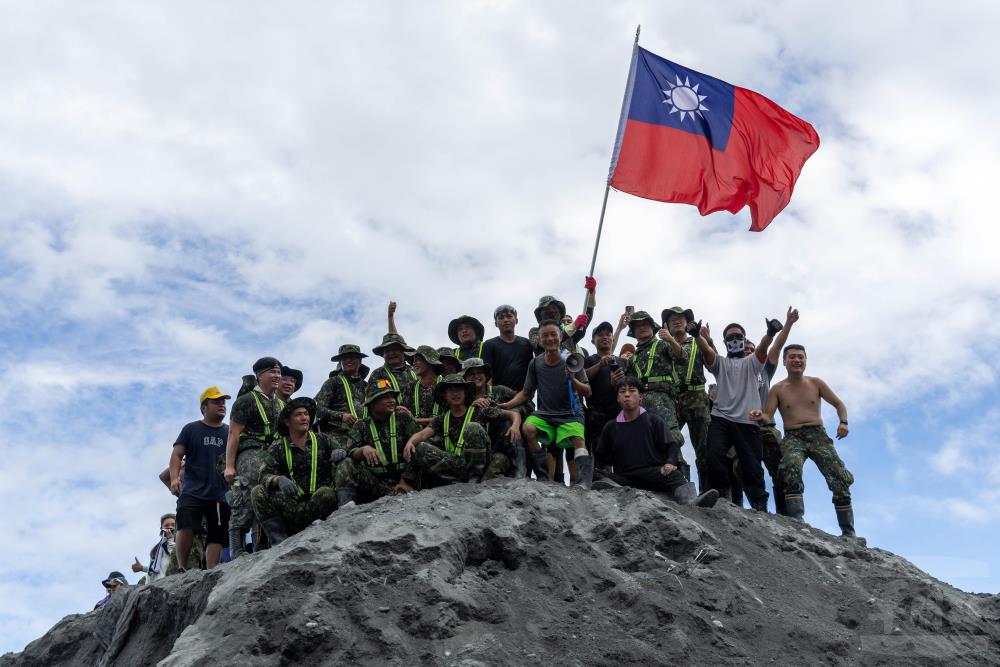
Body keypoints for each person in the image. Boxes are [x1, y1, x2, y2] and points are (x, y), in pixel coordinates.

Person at [751, 344, 859, 540]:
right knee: (790, 468)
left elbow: (839, 404)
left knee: (838, 476)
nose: (796, 360)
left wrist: (843, 422)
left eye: (800, 357)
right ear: (784, 362)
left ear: (805, 361)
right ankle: (797, 522)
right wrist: (760, 415)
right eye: (792, 357)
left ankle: (849, 532)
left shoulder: (815, 383)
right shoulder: (778, 389)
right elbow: (769, 415)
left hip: (818, 436)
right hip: (793, 437)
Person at [695, 313, 788, 511]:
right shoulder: (720, 363)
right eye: (730, 338)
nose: (734, 340)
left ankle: (759, 503)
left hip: (748, 420)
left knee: (752, 465)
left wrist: (770, 333)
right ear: (724, 342)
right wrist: (696, 335)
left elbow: (764, 349)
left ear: (744, 340)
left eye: (738, 337)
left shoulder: (753, 363)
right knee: (713, 455)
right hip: (721, 418)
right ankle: (722, 496)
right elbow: (708, 352)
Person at [594, 378, 718, 507]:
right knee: (597, 474)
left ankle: (691, 502)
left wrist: (670, 463)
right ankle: (615, 490)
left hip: (653, 474)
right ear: (618, 398)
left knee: (675, 475)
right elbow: (601, 457)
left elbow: (672, 446)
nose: (627, 394)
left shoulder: (653, 421)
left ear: (641, 397)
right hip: (624, 478)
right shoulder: (610, 427)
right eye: (622, 391)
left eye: (632, 391)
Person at [500, 320, 593, 487]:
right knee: (528, 429)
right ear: (540, 340)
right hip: (546, 413)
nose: (550, 339)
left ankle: (584, 481)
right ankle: (543, 476)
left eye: (553, 335)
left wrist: (574, 381)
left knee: (578, 439)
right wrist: (508, 405)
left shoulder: (572, 360)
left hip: (570, 414)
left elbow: (588, 391)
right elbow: (526, 393)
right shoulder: (535, 363)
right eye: (545, 336)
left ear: (561, 337)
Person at [251, 397, 339, 545]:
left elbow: (345, 451)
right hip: (293, 507)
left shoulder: (323, 439)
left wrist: (341, 451)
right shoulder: (278, 446)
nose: (304, 418)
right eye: (298, 415)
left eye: (306, 414)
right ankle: (279, 544)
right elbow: (263, 476)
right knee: (258, 492)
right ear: (287, 422)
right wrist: (277, 480)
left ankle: (328, 535)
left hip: (320, 504)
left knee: (326, 493)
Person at [403, 374, 517, 485]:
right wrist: (410, 442)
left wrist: (515, 426)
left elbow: (513, 414)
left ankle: (475, 477)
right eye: (451, 391)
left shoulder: (479, 411)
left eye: (459, 389)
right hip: (457, 465)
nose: (455, 394)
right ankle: (455, 481)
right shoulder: (442, 419)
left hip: (482, 463)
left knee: (473, 427)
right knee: (420, 447)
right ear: (444, 395)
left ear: (465, 393)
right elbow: (423, 434)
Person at [223, 358, 285, 557]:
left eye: (279, 373)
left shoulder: (280, 403)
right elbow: (233, 434)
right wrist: (230, 466)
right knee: (247, 492)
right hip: (250, 451)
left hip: (272, 452)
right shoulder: (246, 401)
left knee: (271, 493)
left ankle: (262, 545)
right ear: (259, 376)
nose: (277, 376)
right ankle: (237, 548)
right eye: (271, 372)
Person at [170, 386, 231, 569]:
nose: (222, 405)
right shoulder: (191, 429)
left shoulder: (230, 432)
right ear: (204, 407)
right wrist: (174, 479)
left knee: (217, 533)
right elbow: (176, 455)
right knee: (185, 524)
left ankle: (211, 570)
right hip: (193, 489)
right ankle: (182, 568)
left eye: (223, 402)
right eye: (216, 402)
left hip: (220, 492)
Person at [624, 310, 689, 474]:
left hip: (663, 398)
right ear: (633, 331)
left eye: (645, 324)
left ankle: (680, 477)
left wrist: (670, 339)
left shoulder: (663, 344)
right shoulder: (633, 357)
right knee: (646, 439)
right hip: (641, 401)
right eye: (637, 325)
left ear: (653, 327)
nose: (642, 327)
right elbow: (629, 382)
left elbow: (683, 358)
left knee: (670, 435)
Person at [335, 380, 421, 505]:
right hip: (379, 485)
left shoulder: (403, 418)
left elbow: (418, 446)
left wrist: (404, 481)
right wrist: (363, 449)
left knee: (419, 447)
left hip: (407, 483)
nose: (392, 400)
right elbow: (350, 451)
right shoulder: (361, 425)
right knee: (345, 463)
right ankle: (345, 509)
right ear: (372, 403)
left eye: (392, 396)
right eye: (385, 397)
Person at [745, 309, 798, 514]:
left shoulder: (765, 369)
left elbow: (777, 346)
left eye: (752, 348)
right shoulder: (734, 370)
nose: (749, 351)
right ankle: (759, 511)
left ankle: (787, 515)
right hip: (741, 428)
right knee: (741, 469)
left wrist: (787, 324)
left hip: (766, 427)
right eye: (746, 349)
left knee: (781, 470)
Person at [659, 306, 715, 493]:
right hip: (673, 398)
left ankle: (708, 491)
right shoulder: (662, 346)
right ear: (665, 325)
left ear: (687, 322)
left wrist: (708, 339)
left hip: (697, 397)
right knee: (670, 441)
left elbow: (713, 361)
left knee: (704, 447)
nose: (677, 321)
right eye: (672, 319)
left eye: (681, 318)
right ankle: (682, 486)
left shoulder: (697, 341)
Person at [314, 344, 370, 450]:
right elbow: (319, 409)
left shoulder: (367, 386)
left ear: (360, 360)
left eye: (353, 357)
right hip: (337, 438)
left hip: (364, 437)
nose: (348, 360)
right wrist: (341, 416)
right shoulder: (332, 382)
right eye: (344, 358)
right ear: (340, 362)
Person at [584, 321, 627, 454]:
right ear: (593, 341)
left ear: (613, 338)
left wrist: (619, 382)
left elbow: (634, 385)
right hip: (597, 415)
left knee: (623, 453)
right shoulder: (589, 360)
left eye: (608, 334)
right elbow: (580, 378)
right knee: (600, 457)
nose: (605, 337)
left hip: (621, 414)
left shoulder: (624, 362)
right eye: (600, 335)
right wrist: (599, 365)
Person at [527, 277, 597, 355]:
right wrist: (573, 326)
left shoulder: (570, 334)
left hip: (570, 366)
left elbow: (587, 317)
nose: (551, 311)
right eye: (546, 309)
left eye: (554, 308)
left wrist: (592, 294)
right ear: (540, 314)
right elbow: (545, 342)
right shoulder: (534, 332)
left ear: (560, 313)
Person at [481, 304, 534, 391]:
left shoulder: (526, 343)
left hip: (522, 397)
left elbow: (531, 372)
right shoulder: (489, 345)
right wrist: (489, 396)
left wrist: (528, 394)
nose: (505, 320)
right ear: (496, 323)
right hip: (497, 398)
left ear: (516, 320)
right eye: (501, 318)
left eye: (509, 317)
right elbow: (487, 375)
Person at [368, 333, 418, 401]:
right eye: (387, 351)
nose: (391, 353)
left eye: (395, 350)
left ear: (404, 352)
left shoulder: (415, 371)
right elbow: (375, 399)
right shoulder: (378, 374)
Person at [404, 345, 445, 425]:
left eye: (418, 360)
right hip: (415, 435)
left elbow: (451, 417)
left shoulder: (446, 385)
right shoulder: (410, 387)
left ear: (429, 362)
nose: (414, 363)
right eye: (413, 360)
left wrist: (417, 421)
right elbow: (404, 417)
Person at [132, 514, 176, 583]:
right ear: (161, 528)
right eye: (166, 525)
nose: (170, 527)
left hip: (169, 582)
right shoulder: (158, 547)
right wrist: (142, 568)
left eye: (173, 525)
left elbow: (174, 557)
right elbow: (156, 568)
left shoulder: (179, 542)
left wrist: (171, 540)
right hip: (154, 583)